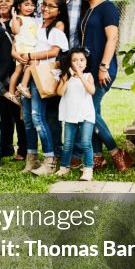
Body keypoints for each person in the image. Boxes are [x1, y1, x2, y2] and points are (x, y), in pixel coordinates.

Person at [77, 0, 131, 172]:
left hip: (103, 68)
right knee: (92, 111)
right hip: (87, 70)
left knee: (88, 110)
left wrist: (103, 66)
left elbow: (113, 38)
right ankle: (97, 157)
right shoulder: (88, 10)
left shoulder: (107, 7)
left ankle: (116, 152)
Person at [19, 0, 69, 176]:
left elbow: (55, 51)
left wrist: (31, 56)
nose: (46, 8)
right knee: (28, 120)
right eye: (44, 4)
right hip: (29, 72)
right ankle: (31, 158)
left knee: (38, 116)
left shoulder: (58, 25)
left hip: (42, 74)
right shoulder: (38, 23)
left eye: (51, 6)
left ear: (60, 9)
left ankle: (50, 160)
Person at [56, 48, 96, 181]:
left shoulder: (88, 76)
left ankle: (88, 169)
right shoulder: (65, 76)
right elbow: (60, 93)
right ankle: (64, 167)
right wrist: (67, 79)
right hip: (70, 115)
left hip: (86, 114)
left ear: (86, 62)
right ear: (70, 63)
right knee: (68, 143)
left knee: (85, 142)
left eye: (81, 60)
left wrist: (80, 76)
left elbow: (91, 90)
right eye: (75, 60)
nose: (78, 63)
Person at [0, 0, 26, 161]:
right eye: (0, 0)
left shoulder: (18, 23)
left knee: (18, 113)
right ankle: (5, 147)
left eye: (7, 0)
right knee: (2, 114)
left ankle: (23, 148)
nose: (3, 3)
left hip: (16, 72)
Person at [7, 0, 40, 101]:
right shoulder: (19, 18)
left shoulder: (32, 19)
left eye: (32, 5)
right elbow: (15, 31)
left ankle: (15, 91)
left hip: (31, 48)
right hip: (23, 48)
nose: (30, 7)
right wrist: (14, 16)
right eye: (26, 4)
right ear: (19, 6)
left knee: (20, 70)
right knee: (26, 67)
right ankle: (21, 87)